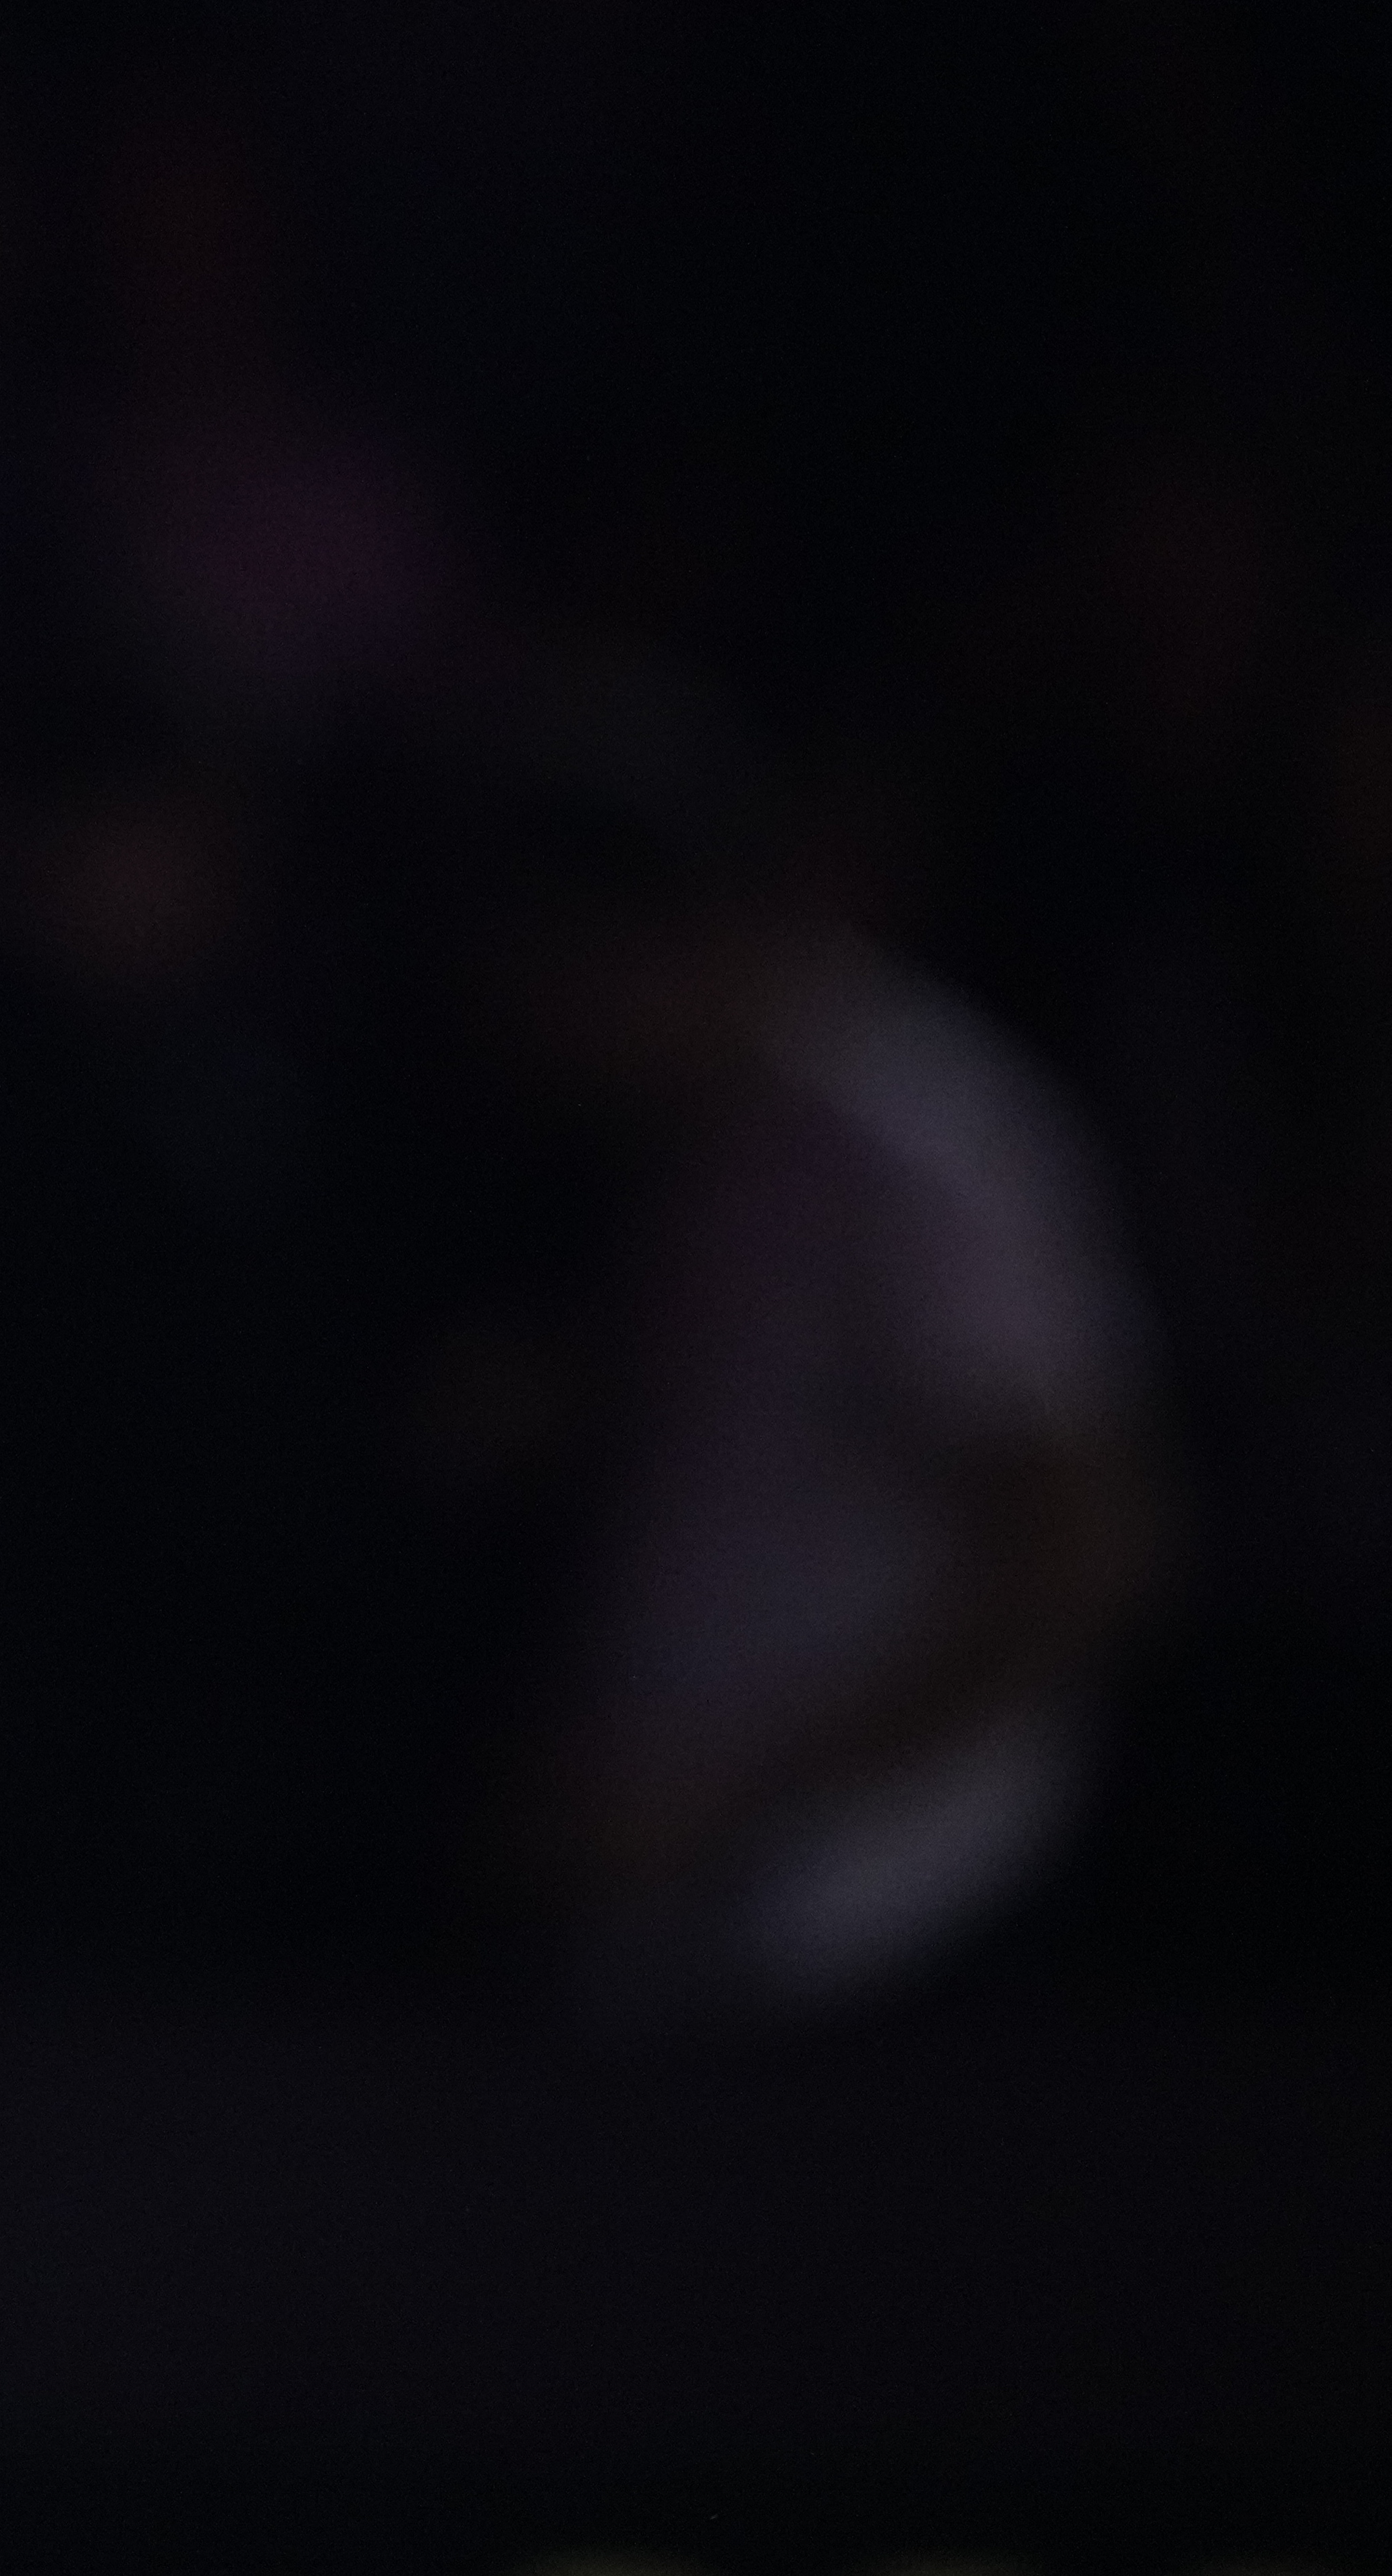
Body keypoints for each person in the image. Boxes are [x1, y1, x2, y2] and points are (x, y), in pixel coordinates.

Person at [480, 680, 1166, 2029]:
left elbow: (1082, 1546)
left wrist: (740, 1788)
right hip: (702, 1924)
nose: (535, 1020)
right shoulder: (691, 1141)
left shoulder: (908, 1139)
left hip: (893, 1914)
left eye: (556, 969)